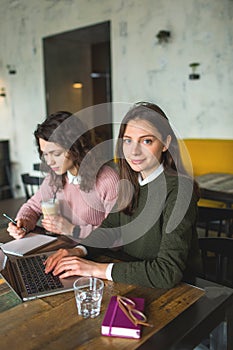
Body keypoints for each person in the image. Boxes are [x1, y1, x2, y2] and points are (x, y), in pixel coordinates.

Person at [44, 102, 202, 289]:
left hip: (182, 291)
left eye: (146, 141)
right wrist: (78, 251)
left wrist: (95, 269)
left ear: (165, 143)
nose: (134, 151)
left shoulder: (179, 190)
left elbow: (167, 272)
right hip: (134, 278)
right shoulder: (130, 182)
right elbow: (109, 228)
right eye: (128, 140)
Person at [7, 111, 119, 240]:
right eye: (45, 154)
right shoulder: (55, 177)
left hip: (97, 254)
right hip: (64, 247)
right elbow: (32, 207)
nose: (50, 162)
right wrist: (23, 223)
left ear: (76, 147)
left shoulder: (108, 180)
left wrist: (73, 230)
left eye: (56, 154)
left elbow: (115, 233)